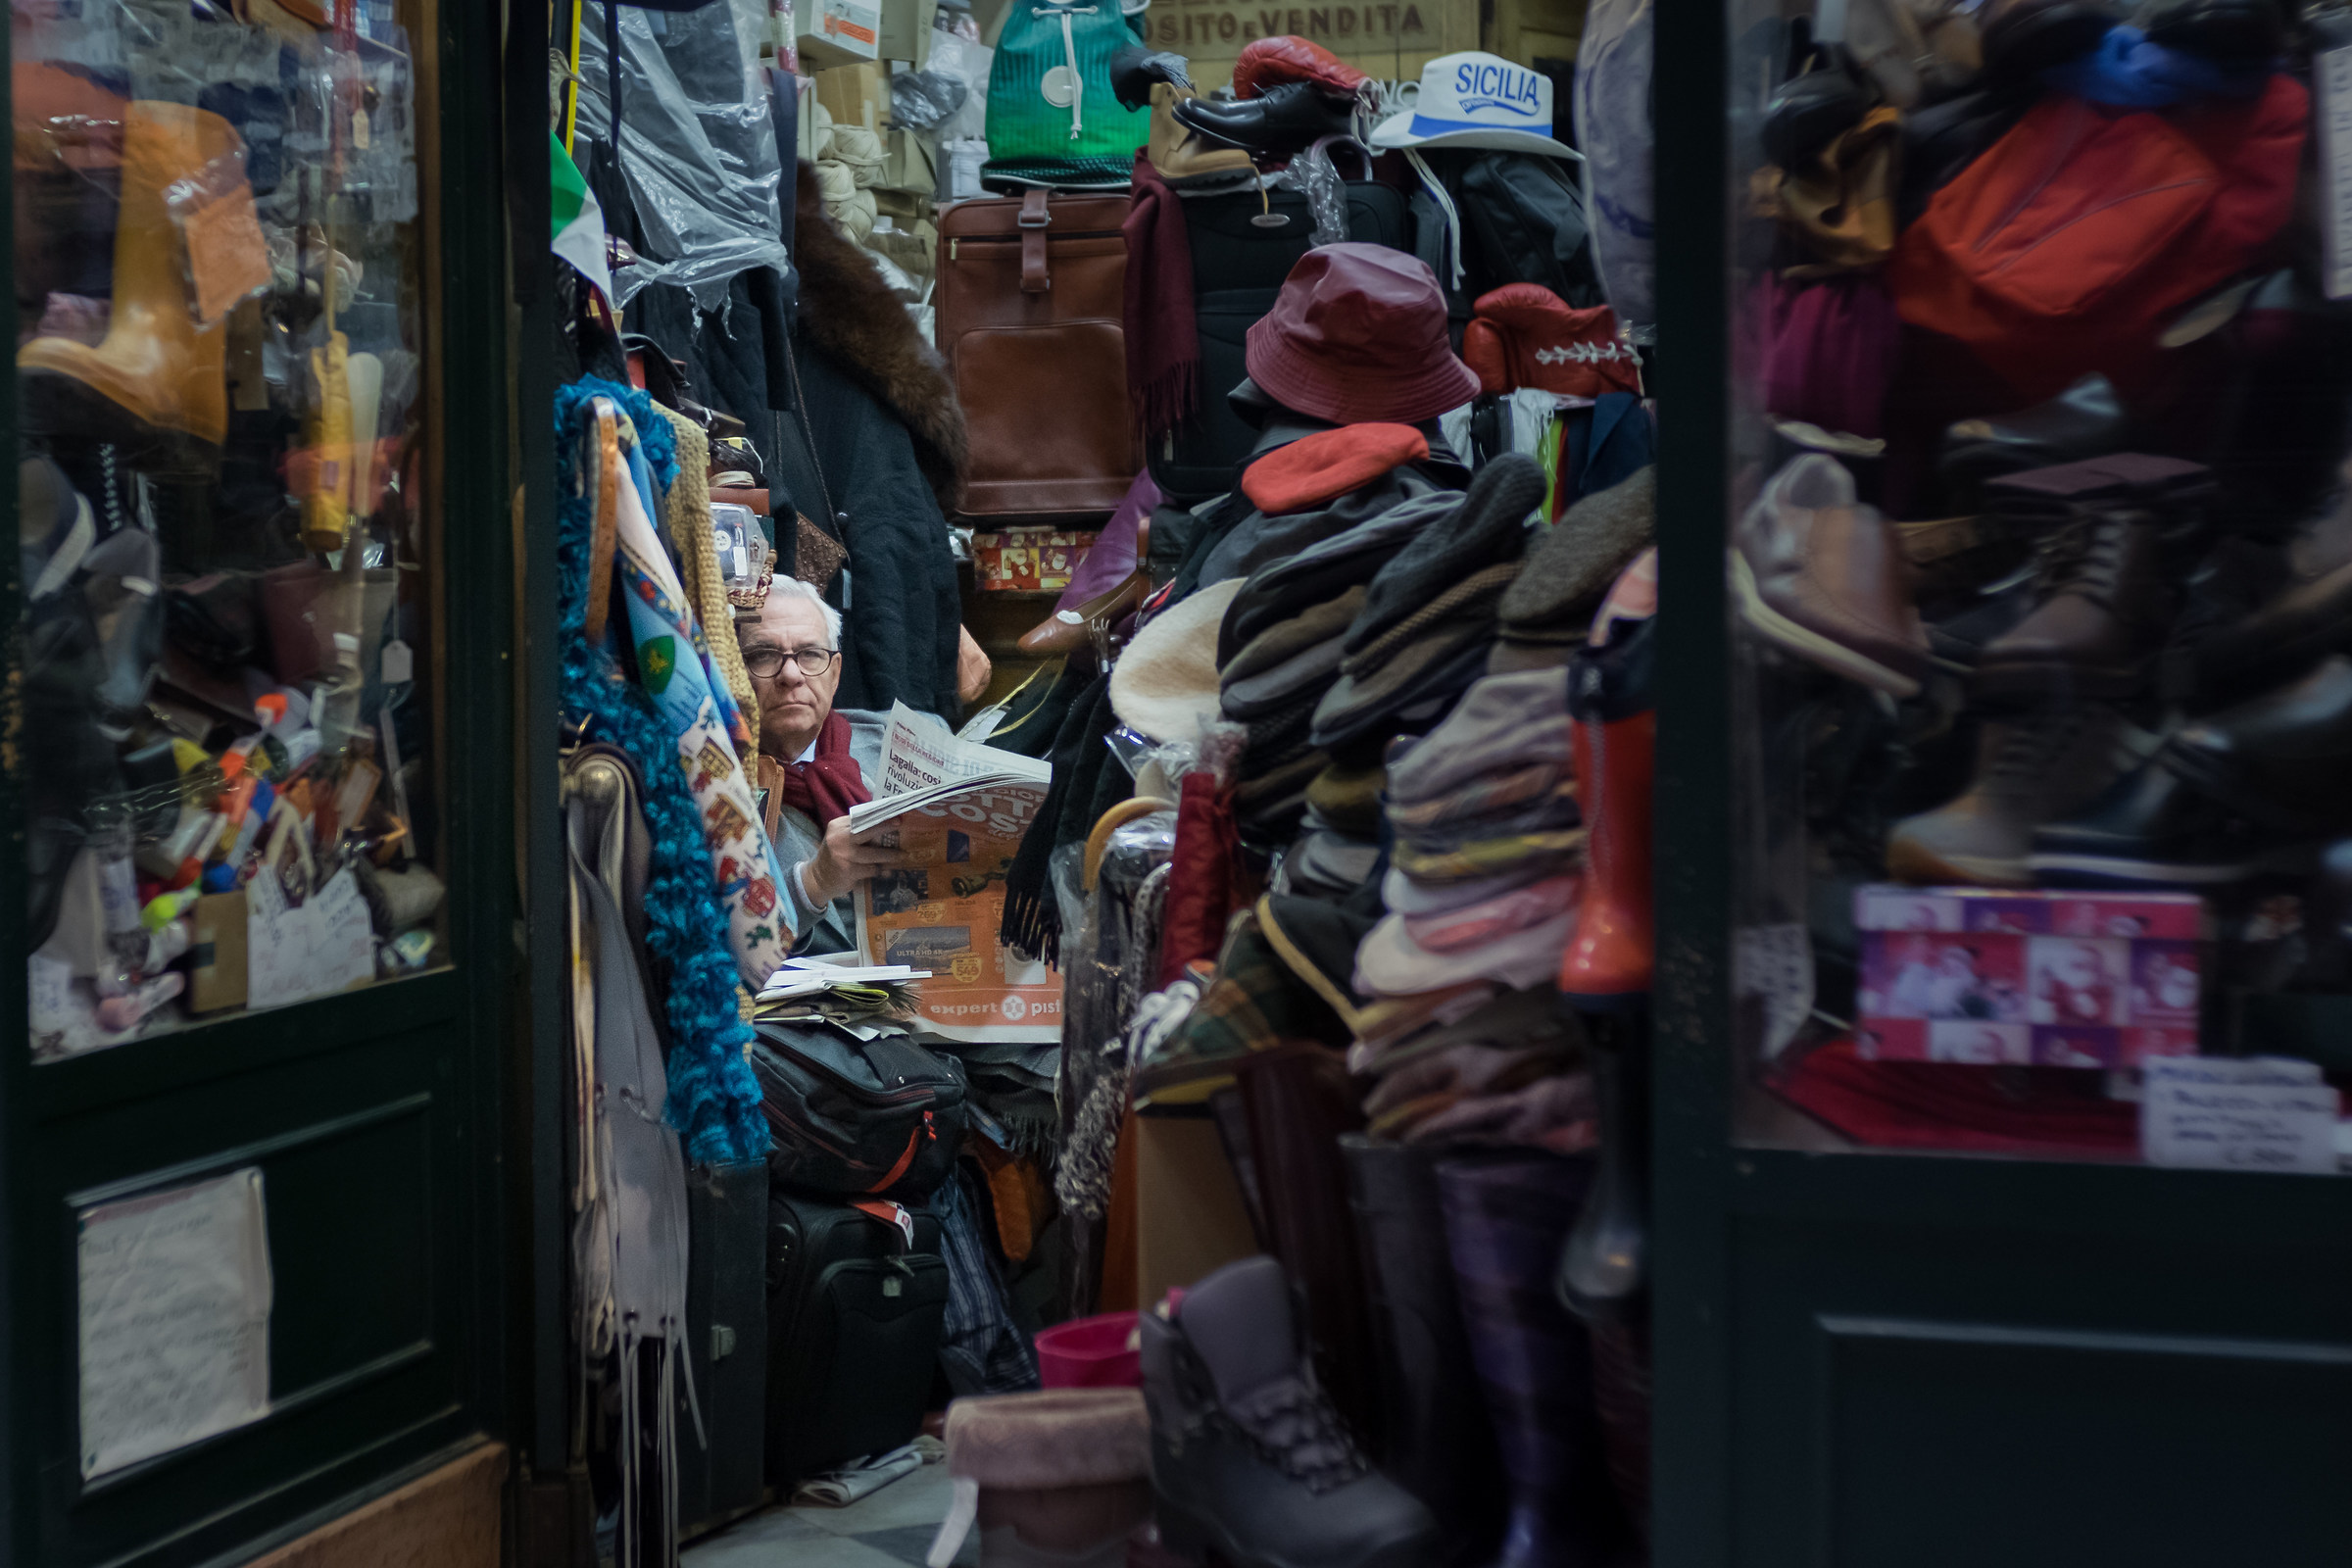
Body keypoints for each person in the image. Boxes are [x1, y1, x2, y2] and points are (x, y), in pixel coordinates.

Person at [744, 578, 910, 955]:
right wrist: (813, 883)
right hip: (797, 1009)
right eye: (764, 655)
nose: (791, 675)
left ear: (835, 674)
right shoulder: (709, 782)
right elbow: (713, 943)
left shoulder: (906, 741)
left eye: (810, 654)